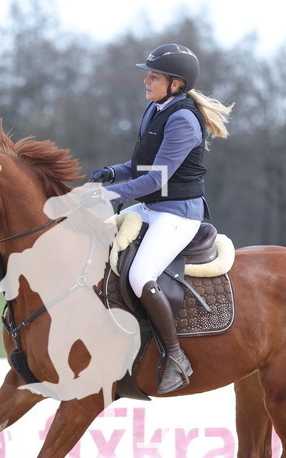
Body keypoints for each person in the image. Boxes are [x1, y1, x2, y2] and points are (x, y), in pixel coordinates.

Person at [90, 43, 233, 393]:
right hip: (151, 209)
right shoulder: (156, 109)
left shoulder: (183, 118)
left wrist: (112, 194)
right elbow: (140, 165)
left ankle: (175, 355)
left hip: (178, 214)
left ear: (175, 84)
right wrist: (109, 174)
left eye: (153, 76)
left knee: (140, 275)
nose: (145, 80)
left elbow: (157, 178)